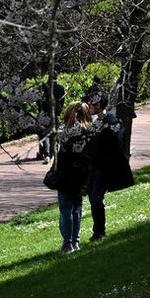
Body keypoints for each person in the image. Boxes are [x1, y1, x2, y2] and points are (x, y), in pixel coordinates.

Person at [85, 98, 134, 242]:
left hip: (104, 166)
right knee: (92, 197)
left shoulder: (111, 121)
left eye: (91, 104)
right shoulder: (92, 121)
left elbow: (117, 141)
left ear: (98, 105)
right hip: (93, 165)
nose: (88, 107)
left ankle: (100, 232)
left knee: (96, 197)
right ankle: (98, 231)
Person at [53, 102, 95, 252]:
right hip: (82, 173)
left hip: (66, 173)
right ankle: (75, 241)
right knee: (76, 208)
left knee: (66, 209)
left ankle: (67, 243)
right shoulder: (90, 130)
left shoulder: (64, 130)